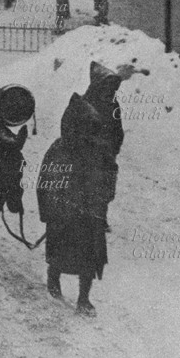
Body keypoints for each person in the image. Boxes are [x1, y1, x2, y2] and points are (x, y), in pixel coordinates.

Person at [37, 93, 115, 315]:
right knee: (60, 252)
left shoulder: (100, 151)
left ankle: (84, 298)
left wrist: (103, 200)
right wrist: (51, 209)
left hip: (90, 214)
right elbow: (46, 181)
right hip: (64, 214)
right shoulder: (59, 149)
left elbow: (110, 176)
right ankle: (54, 278)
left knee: (90, 258)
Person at [83, 62, 123, 230]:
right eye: (106, 85)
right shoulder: (86, 104)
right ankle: (87, 218)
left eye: (112, 86)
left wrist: (116, 145)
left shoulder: (113, 104)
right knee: (88, 186)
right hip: (89, 153)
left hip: (108, 152)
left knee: (105, 187)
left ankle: (101, 218)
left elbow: (118, 127)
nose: (109, 89)